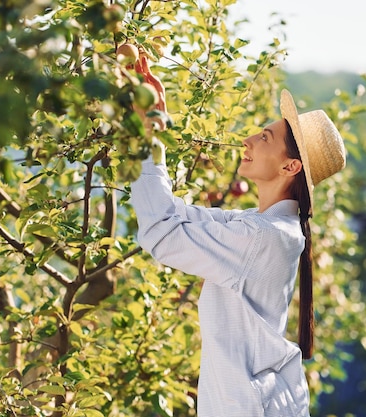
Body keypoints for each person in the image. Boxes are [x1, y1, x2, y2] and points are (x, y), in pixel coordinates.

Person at [130, 56, 346, 416]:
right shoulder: (262, 228)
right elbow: (177, 215)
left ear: (290, 167)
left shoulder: (261, 237)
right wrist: (154, 128)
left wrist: (142, 139)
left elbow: (160, 232)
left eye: (264, 137)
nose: (248, 140)